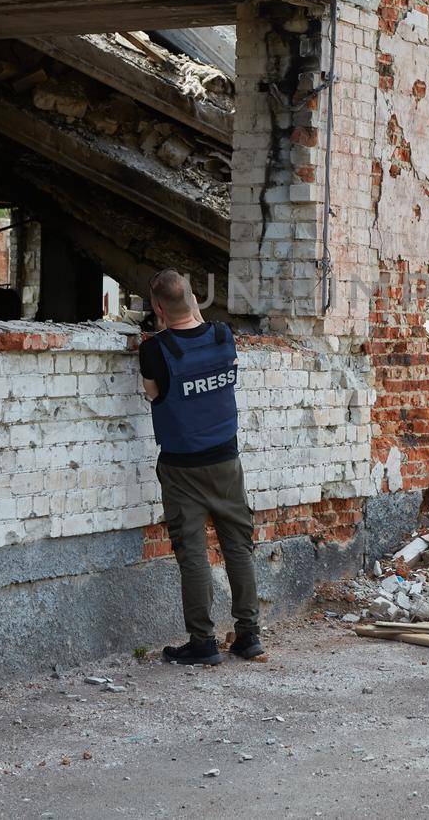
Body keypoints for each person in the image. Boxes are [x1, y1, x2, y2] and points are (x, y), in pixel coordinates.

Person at [138, 269, 262, 666]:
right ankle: (249, 637)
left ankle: (204, 643)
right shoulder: (224, 336)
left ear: (158, 307)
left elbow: (153, 394)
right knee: (237, 547)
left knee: (193, 553)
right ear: (194, 297)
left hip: (181, 466)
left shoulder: (155, 350)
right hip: (227, 459)